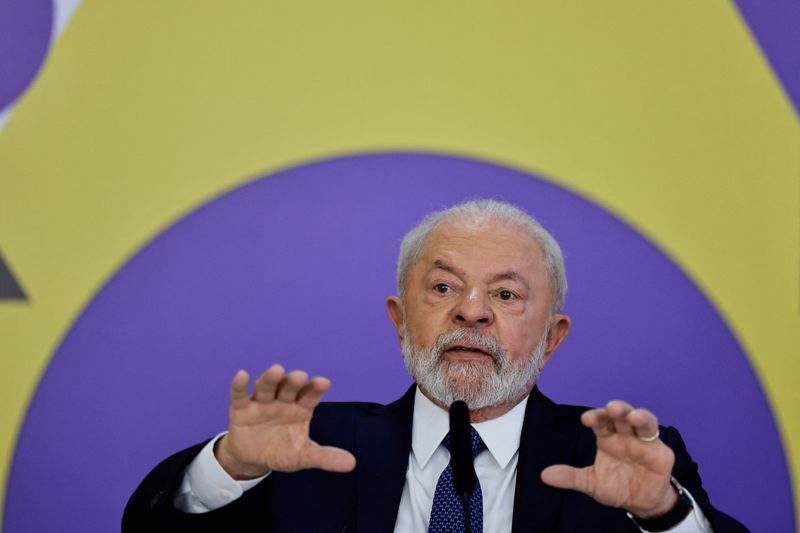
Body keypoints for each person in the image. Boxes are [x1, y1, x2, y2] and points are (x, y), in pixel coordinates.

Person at [123, 199, 747, 532]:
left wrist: (663, 516)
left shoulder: (623, 463)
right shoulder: (306, 449)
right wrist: (232, 467)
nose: (472, 313)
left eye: (505, 295)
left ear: (553, 337)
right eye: (444, 288)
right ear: (400, 318)